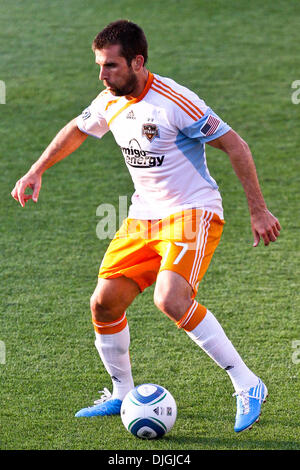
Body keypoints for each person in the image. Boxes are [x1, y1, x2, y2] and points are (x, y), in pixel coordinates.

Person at [11, 20, 281, 433]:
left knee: (170, 299)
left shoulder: (175, 101)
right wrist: (36, 170)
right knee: (104, 303)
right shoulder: (109, 100)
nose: (103, 75)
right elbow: (77, 130)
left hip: (193, 211)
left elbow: (236, 146)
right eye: (100, 66)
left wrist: (258, 210)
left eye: (111, 66)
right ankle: (122, 391)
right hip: (144, 216)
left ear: (138, 62)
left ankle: (248, 384)